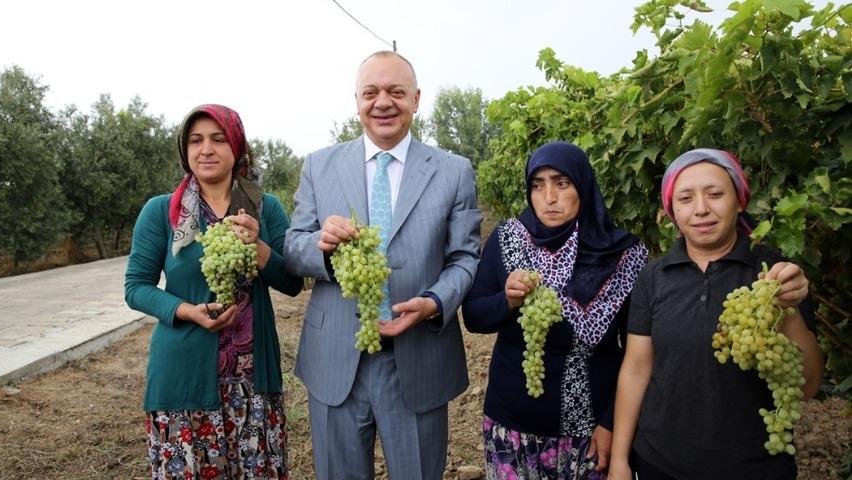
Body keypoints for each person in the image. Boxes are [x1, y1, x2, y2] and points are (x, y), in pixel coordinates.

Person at [283, 51, 482, 479]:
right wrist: (324, 249)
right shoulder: (319, 165)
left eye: (396, 91)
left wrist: (432, 302)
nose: (383, 102)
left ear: (416, 99)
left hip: (418, 358)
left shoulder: (453, 171)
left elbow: (465, 258)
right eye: (371, 92)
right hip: (336, 356)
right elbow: (293, 246)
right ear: (356, 101)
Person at [608, 149, 824, 480]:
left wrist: (789, 312)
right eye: (685, 198)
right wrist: (620, 460)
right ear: (672, 211)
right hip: (659, 463)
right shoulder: (654, 276)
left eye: (715, 194)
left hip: (755, 468)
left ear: (739, 201)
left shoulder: (774, 276)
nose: (701, 209)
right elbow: (636, 369)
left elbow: (806, 387)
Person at [124, 104, 302, 479]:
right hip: (182, 384)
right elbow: (136, 287)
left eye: (218, 139)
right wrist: (188, 310)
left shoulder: (265, 208)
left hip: (254, 386)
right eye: (196, 140)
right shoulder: (161, 212)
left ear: (236, 146)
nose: (206, 149)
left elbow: (292, 282)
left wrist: (260, 248)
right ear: (185, 150)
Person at [462, 141, 649, 479]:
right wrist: (507, 301)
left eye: (561, 184)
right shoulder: (508, 240)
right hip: (512, 430)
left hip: (590, 435)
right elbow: (474, 317)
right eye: (538, 185)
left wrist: (611, 424)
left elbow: (638, 353)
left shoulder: (624, 255)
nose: (549, 197)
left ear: (584, 186)